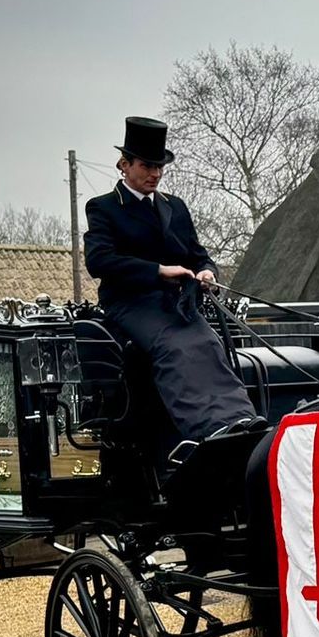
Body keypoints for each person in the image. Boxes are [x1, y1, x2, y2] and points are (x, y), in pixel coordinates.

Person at [82, 116, 260, 469]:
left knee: (209, 343)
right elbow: (99, 261)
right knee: (175, 347)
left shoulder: (174, 206)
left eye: (159, 167)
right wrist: (157, 271)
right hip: (129, 304)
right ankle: (205, 430)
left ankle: (238, 421)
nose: (155, 174)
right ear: (124, 165)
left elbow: (197, 254)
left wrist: (208, 271)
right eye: (148, 166)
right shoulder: (103, 207)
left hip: (175, 304)